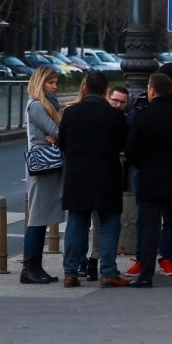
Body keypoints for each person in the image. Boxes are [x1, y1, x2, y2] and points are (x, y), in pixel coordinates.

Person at [124, 73, 172, 288]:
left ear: (152, 90)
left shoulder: (143, 117)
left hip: (150, 179)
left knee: (150, 228)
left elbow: (130, 150)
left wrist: (144, 164)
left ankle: (146, 275)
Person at [58, 71, 129, 288]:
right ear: (106, 92)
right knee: (109, 224)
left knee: (76, 223)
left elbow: (62, 143)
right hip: (107, 176)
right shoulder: (115, 116)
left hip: (77, 176)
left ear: (86, 88)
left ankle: (70, 272)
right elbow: (123, 144)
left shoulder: (71, 113)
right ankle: (108, 272)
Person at [21, 65, 63, 285]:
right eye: (50, 82)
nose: (54, 87)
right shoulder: (37, 105)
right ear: (40, 83)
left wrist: (55, 136)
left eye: (56, 82)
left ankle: (36, 266)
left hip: (48, 164)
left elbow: (56, 133)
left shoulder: (48, 104)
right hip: (42, 165)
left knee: (42, 217)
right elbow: (58, 131)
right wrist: (54, 136)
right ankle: (29, 268)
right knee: (37, 217)